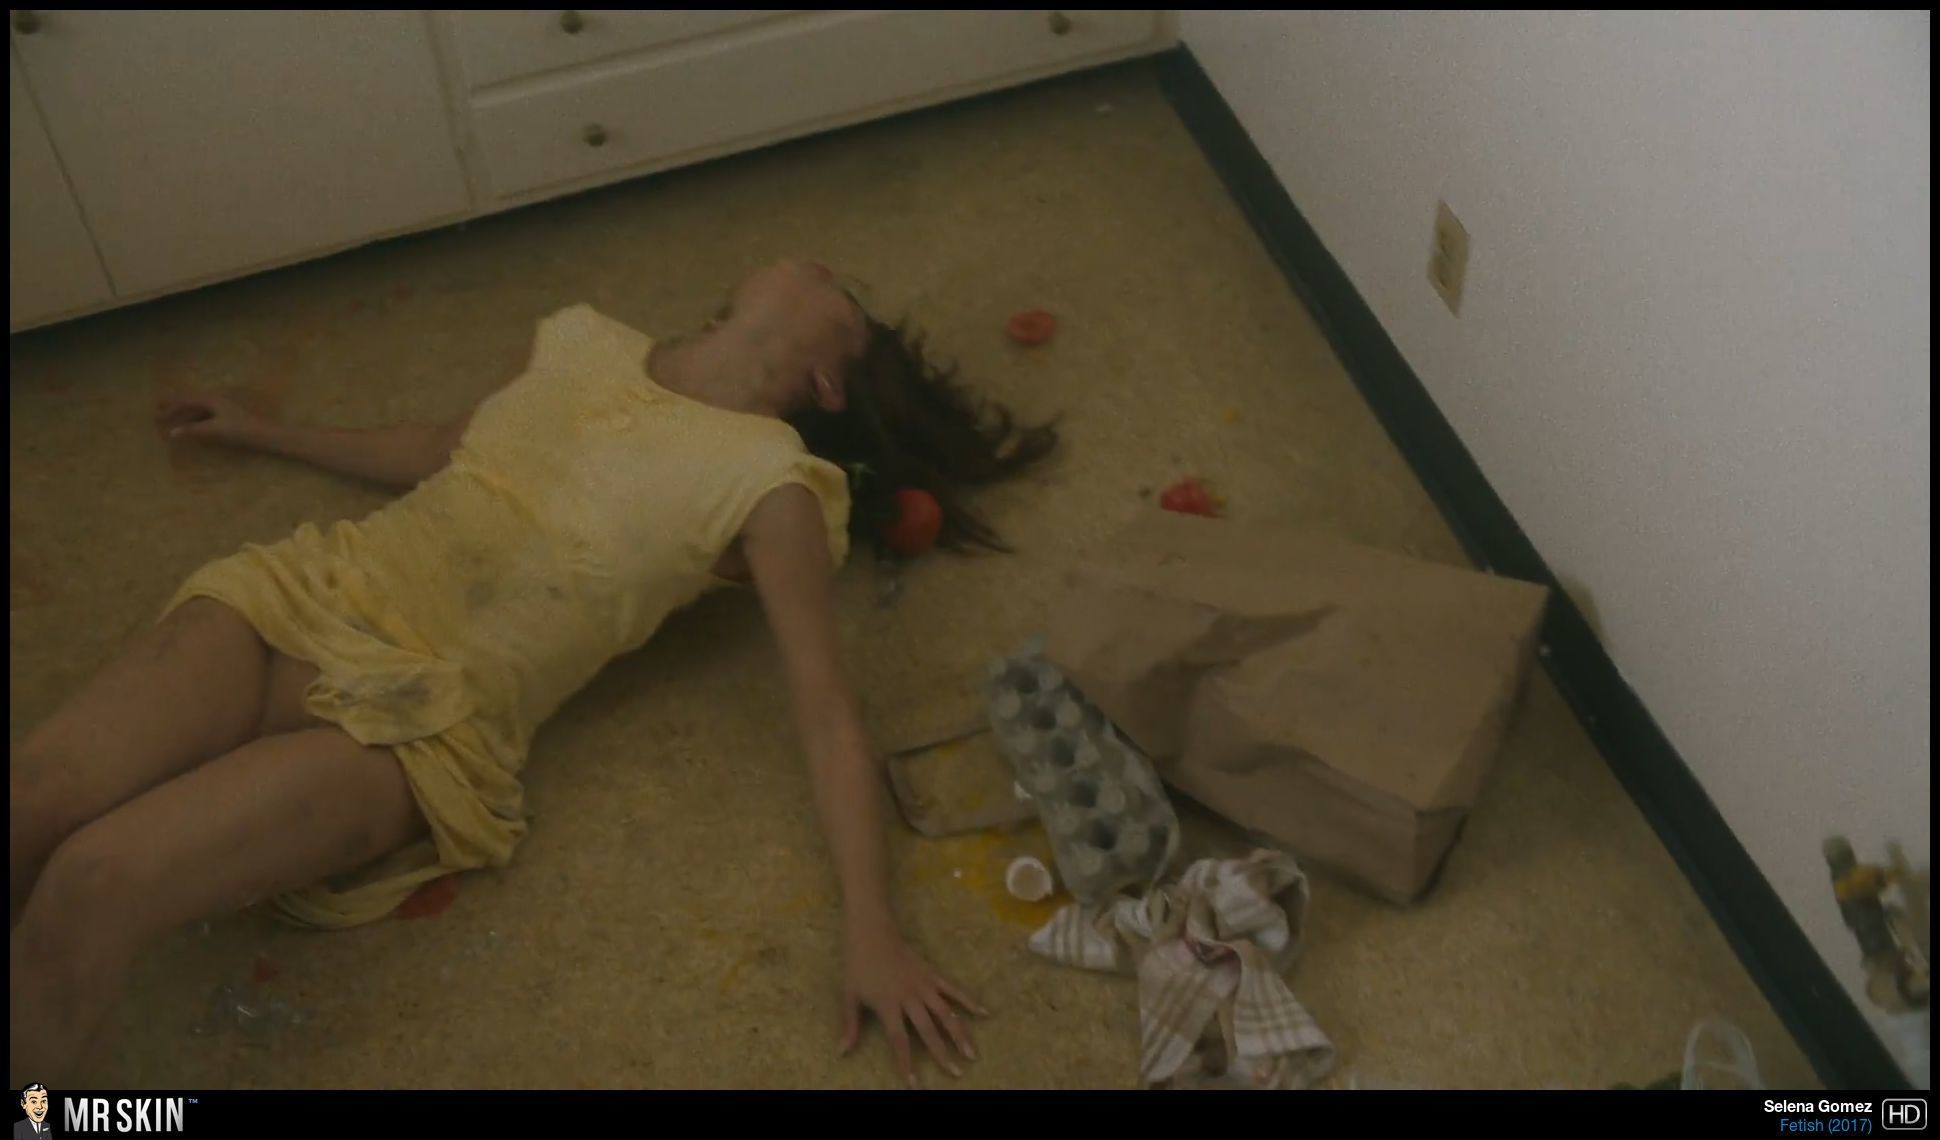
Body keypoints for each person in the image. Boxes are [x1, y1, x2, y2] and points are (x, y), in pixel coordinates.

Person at [8, 258, 1058, 1089]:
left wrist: (874, 930)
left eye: (845, 296)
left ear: (828, 378)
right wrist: (266, 430)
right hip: (309, 591)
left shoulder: (772, 487)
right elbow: (444, 447)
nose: (825, 267)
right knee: (33, 800)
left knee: (92, 884)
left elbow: (828, 720)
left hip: (415, 726)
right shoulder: (581, 336)